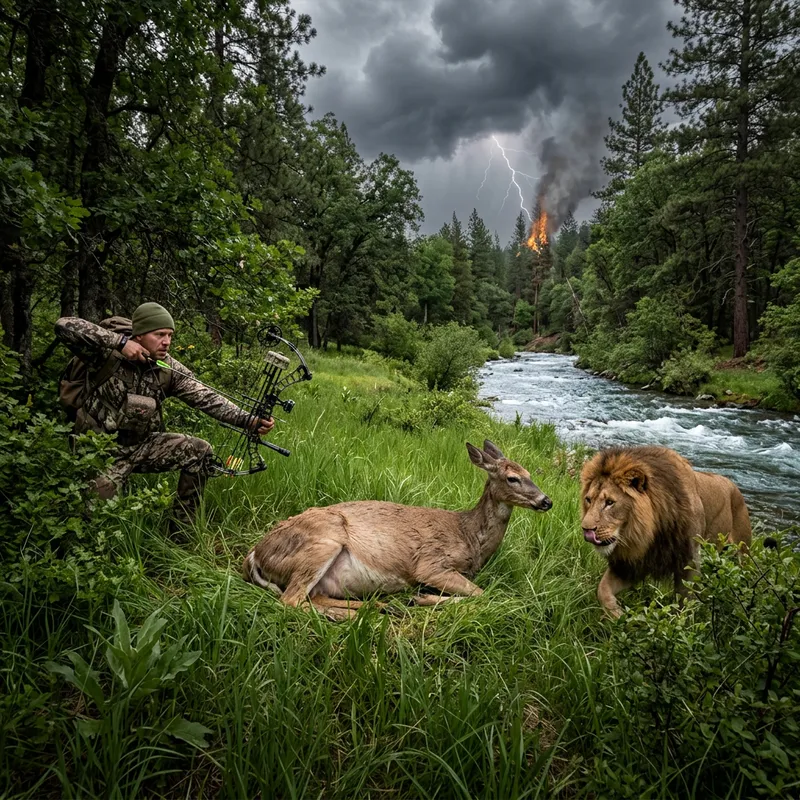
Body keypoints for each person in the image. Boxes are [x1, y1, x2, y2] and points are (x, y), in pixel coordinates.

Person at [55, 302, 274, 532]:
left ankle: (181, 533)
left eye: (169, 335)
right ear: (139, 335)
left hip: (141, 447)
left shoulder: (167, 368)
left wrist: (249, 420)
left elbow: (207, 397)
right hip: (100, 452)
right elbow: (64, 325)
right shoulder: (104, 354)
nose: (167, 341)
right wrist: (120, 343)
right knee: (96, 522)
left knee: (199, 451)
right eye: (159, 334)